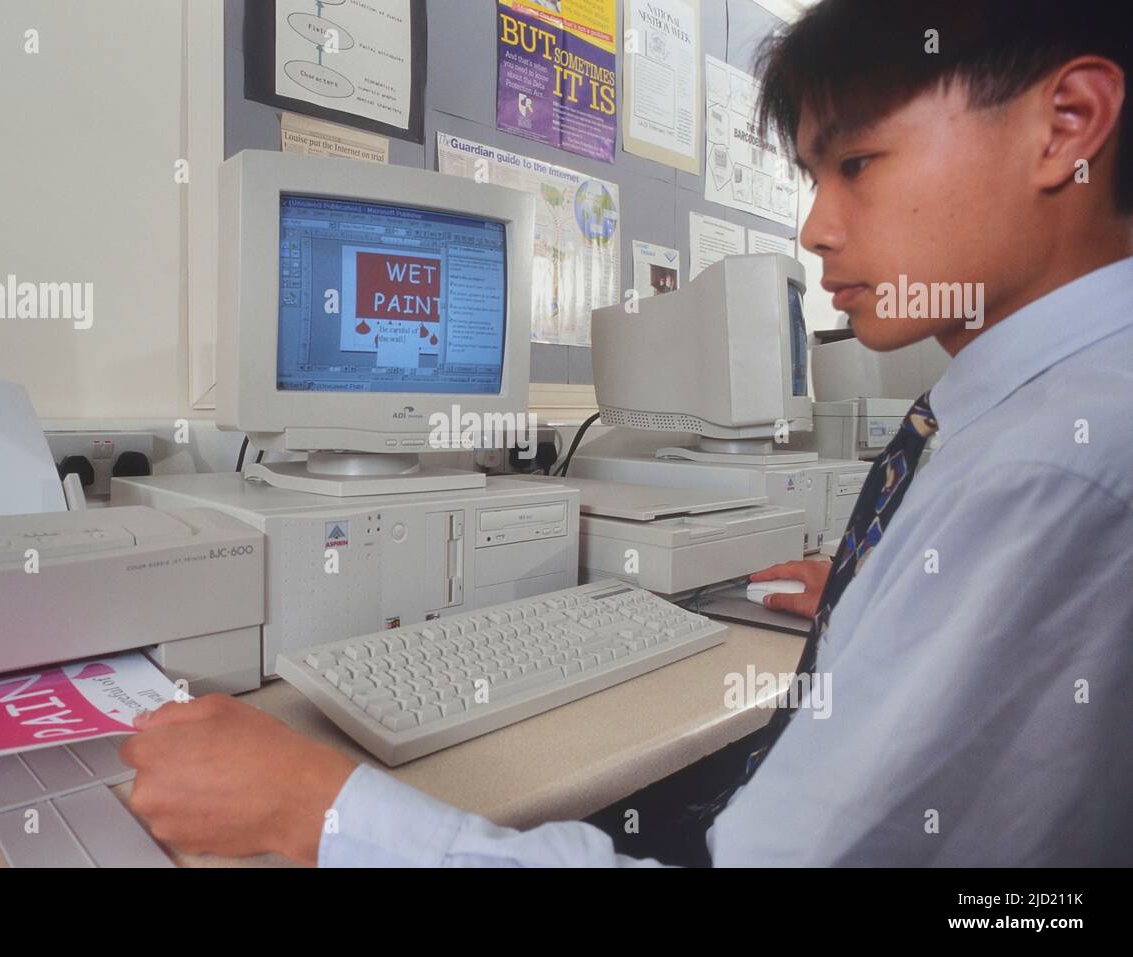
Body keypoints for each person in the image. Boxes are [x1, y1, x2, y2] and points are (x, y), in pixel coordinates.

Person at [119, 0, 1133, 866]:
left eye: (856, 163)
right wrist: (885, 601)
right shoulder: (1049, 413)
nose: (816, 229)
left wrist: (321, 811)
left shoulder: (1045, 469)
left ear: (1066, 124)